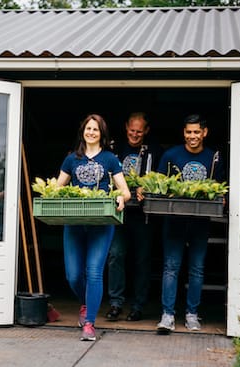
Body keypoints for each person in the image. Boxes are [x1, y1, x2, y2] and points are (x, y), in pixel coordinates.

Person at [56, 113, 131, 341]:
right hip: (75, 223)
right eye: (88, 128)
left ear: (102, 134)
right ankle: (86, 303)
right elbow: (57, 188)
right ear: (83, 132)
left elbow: (125, 191)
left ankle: (89, 323)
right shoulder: (71, 159)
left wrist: (121, 199)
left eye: (95, 129)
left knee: (94, 272)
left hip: (101, 224)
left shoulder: (110, 159)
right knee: (73, 275)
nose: (91, 132)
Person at [155, 114, 225, 332]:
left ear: (205, 133)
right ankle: (167, 316)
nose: (192, 136)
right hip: (174, 220)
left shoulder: (213, 157)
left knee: (197, 269)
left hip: (200, 221)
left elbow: (220, 188)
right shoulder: (171, 155)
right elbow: (158, 185)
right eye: (188, 132)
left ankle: (192, 315)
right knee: (171, 267)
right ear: (183, 133)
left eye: (196, 132)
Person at [105, 112, 163, 322]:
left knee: (142, 260)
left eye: (139, 131)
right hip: (119, 212)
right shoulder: (114, 147)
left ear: (146, 131)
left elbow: (162, 179)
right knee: (116, 255)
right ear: (126, 127)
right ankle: (115, 303)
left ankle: (138, 306)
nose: (135, 135)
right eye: (132, 130)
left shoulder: (155, 150)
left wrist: (147, 187)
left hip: (144, 215)